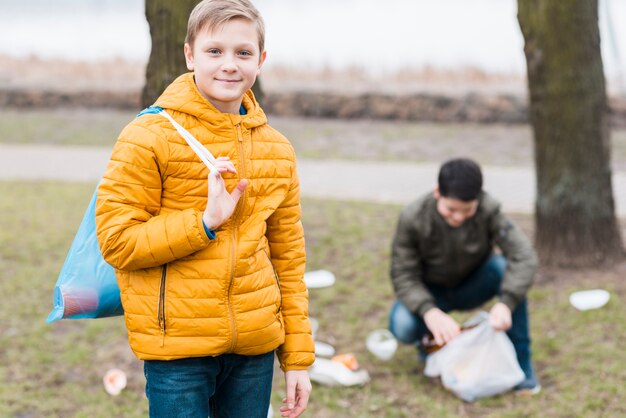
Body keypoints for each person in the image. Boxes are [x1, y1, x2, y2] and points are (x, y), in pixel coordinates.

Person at [95, 1, 313, 416]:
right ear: (190, 54)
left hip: (255, 349)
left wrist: (298, 357)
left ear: (261, 60)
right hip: (178, 351)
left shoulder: (278, 150)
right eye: (215, 51)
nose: (229, 64)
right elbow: (118, 242)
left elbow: (288, 260)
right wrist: (204, 222)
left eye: (243, 53)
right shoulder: (147, 136)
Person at [388, 158, 540, 395]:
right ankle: (430, 345)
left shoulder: (490, 210)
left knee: (502, 267)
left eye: (467, 210)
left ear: (477, 199)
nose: (458, 217)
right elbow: (403, 273)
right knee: (403, 325)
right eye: (451, 210)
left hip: (473, 284)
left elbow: (524, 256)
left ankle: (522, 366)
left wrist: (506, 303)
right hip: (432, 291)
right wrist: (428, 310)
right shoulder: (413, 217)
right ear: (437, 192)